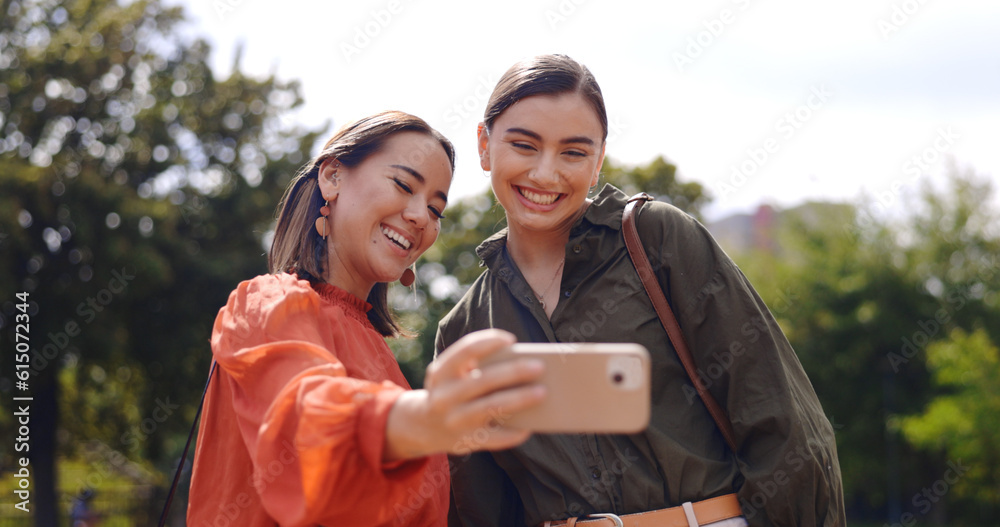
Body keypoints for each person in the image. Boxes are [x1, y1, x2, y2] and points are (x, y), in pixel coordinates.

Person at [435, 55, 846, 527]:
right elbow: (481, 507)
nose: (545, 174)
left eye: (573, 152)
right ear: (485, 146)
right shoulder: (464, 331)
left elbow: (778, 417)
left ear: (598, 162)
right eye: (524, 145)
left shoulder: (657, 239)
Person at [187, 111, 547, 527]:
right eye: (403, 185)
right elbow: (306, 418)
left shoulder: (382, 355)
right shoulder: (268, 305)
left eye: (436, 209)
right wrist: (423, 418)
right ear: (332, 177)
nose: (420, 217)